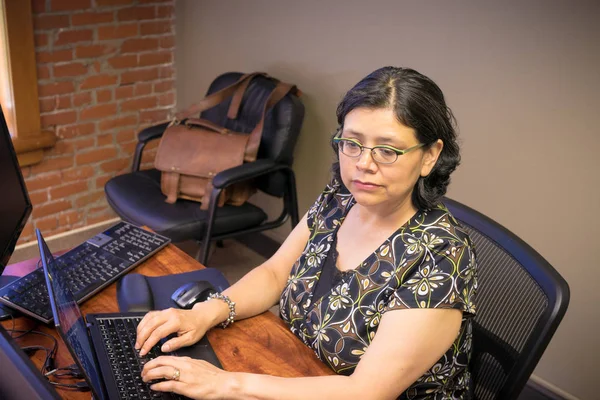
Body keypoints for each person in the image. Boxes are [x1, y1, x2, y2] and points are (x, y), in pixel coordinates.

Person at [136, 66, 478, 399]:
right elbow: (274, 273)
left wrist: (230, 385)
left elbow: (366, 392)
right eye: (353, 143)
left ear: (430, 156)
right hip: (299, 368)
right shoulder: (340, 199)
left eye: (387, 150)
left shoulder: (441, 258)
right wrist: (203, 313)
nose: (363, 164)